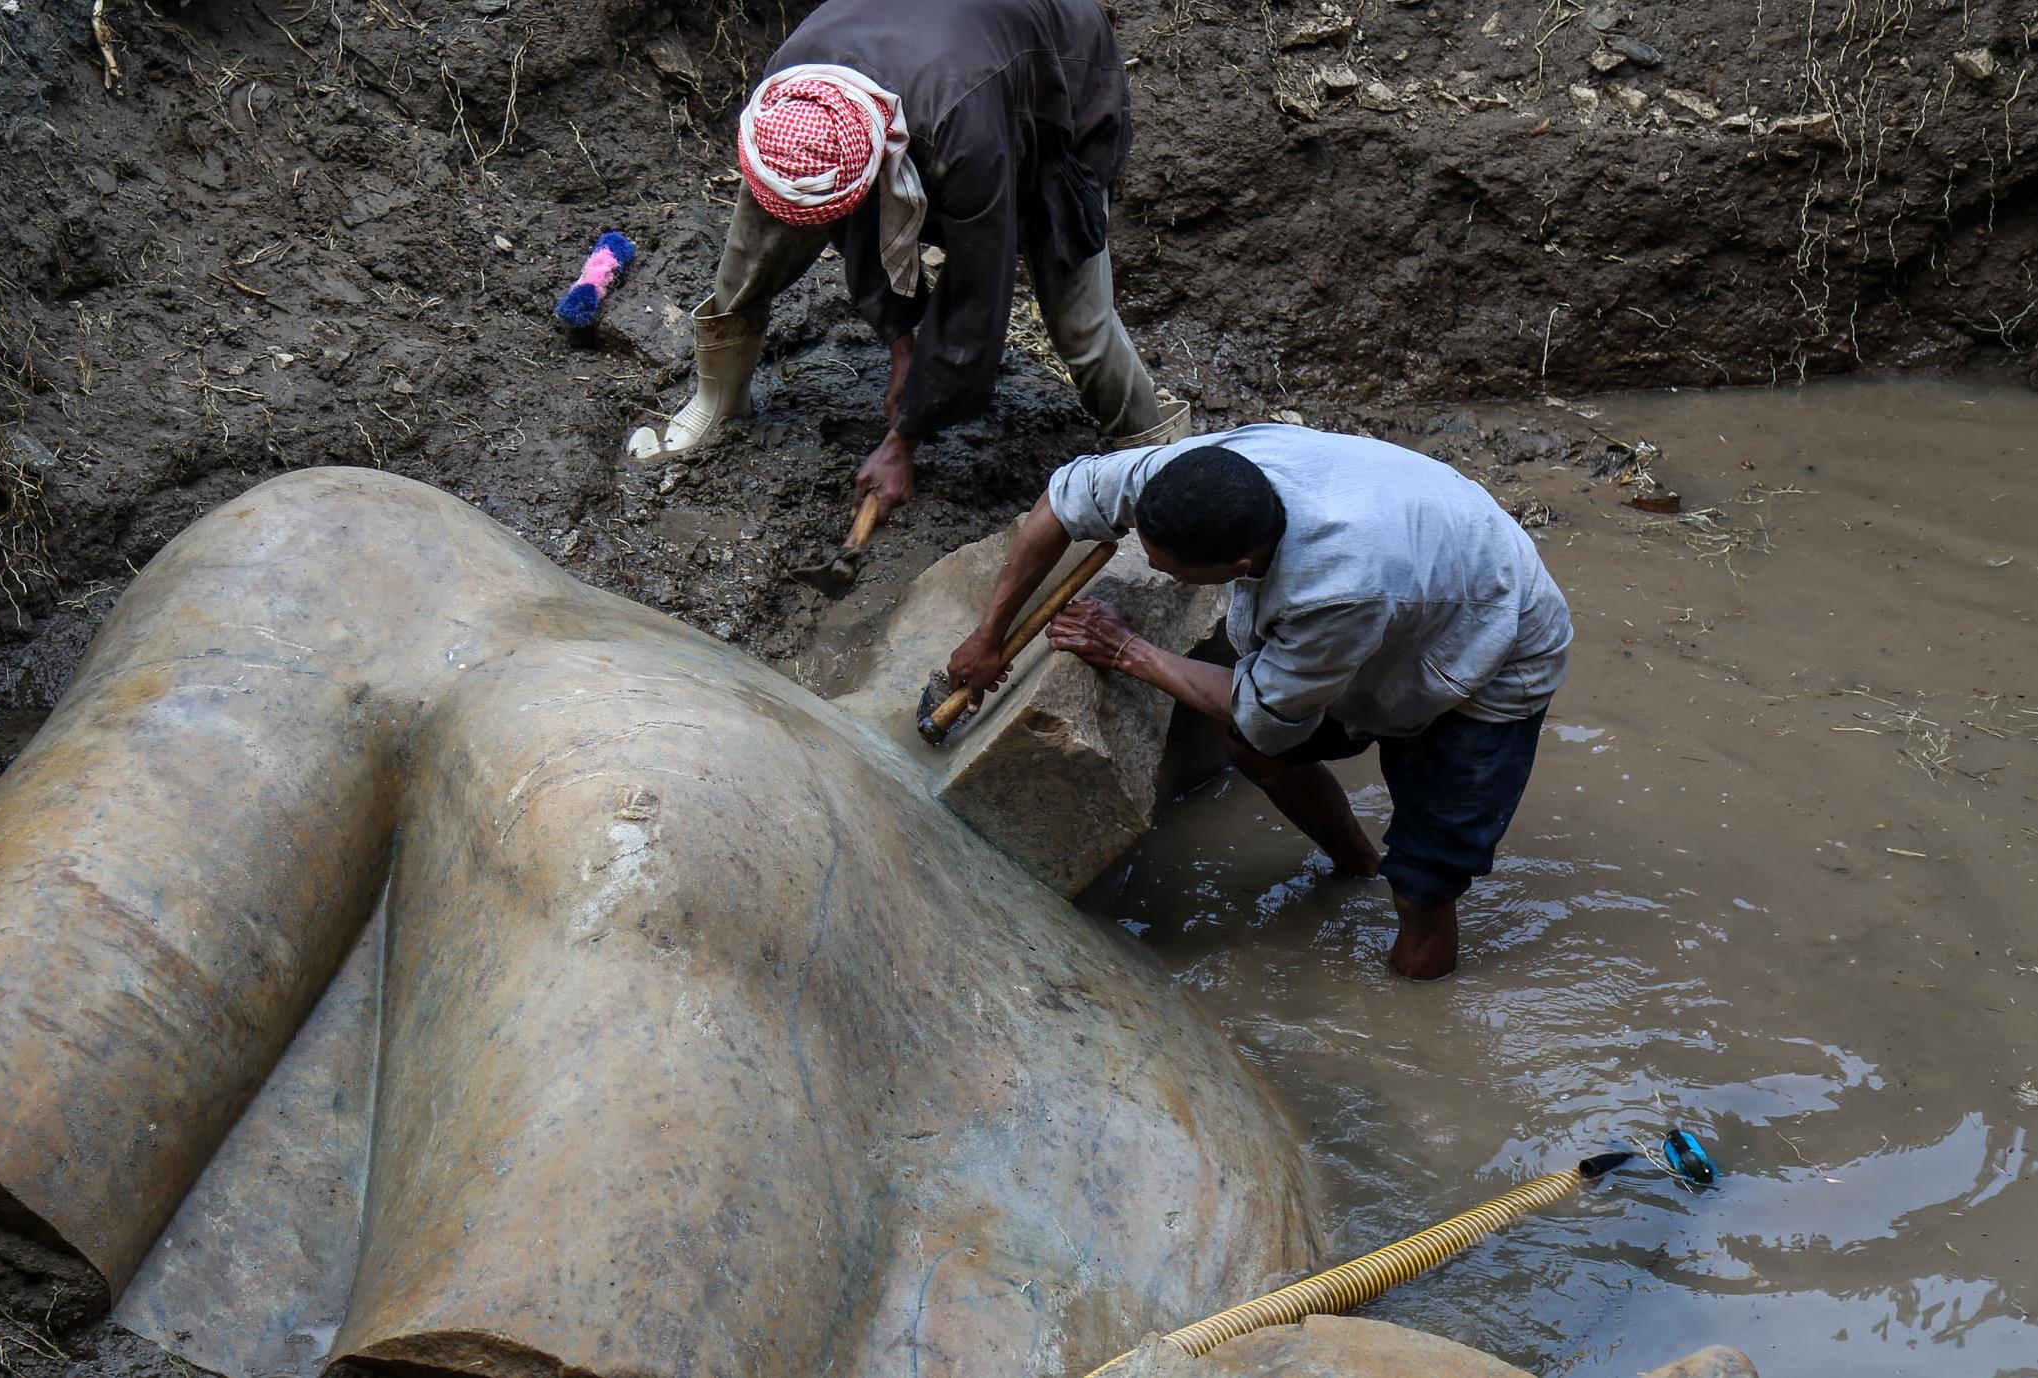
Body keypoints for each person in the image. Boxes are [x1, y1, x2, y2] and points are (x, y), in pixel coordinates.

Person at [945, 425, 1573, 980]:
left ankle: (1420, 998)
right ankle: (1361, 866)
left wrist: (1127, 649)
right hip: (1414, 575)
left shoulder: (1336, 587)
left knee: (1425, 889)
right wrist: (988, 635)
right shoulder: (1199, 470)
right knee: (1257, 756)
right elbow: (1063, 499)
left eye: (1174, 572)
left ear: (1241, 564)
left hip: (1486, 651)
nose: (1162, 577)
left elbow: (1263, 712)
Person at [624, 0, 1190, 512]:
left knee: (1078, 320)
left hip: (1044, 83)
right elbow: (851, 222)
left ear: (872, 164)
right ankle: (717, 398)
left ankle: (1163, 464)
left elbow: (978, 296)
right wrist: (901, 343)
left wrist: (904, 438)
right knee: (753, 248)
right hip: (939, 60)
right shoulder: (792, 87)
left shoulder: (964, 138)